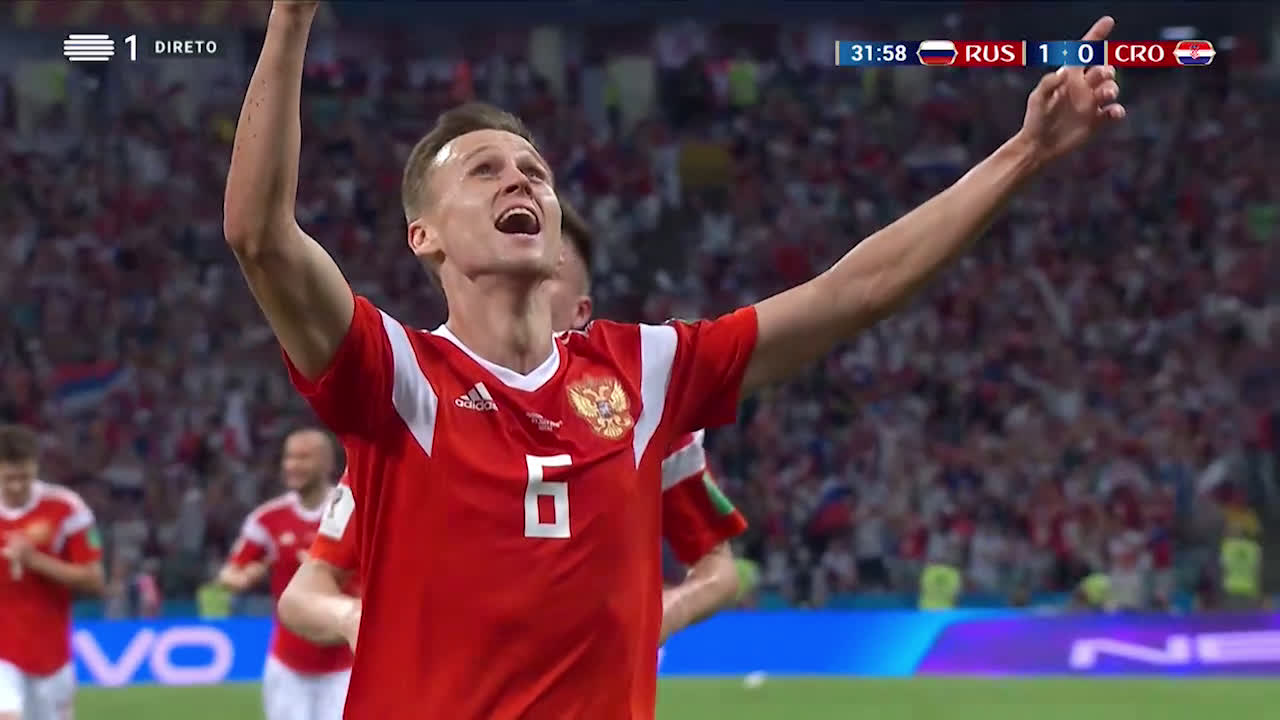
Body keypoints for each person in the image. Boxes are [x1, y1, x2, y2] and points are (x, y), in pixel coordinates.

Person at [224, 2, 1123, 716]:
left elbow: (853, 292)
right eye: (484, 170)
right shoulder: (398, 379)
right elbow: (261, 238)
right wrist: (292, 18)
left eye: (535, 170)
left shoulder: (643, 372)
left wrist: (1024, 154)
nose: (521, 179)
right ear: (423, 235)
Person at [279, 203, 749, 651]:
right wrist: (358, 619)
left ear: (581, 311)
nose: (529, 277)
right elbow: (305, 592)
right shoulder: (416, 419)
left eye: (550, 269)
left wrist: (659, 615)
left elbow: (718, 567)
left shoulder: (640, 415)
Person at [216, 428, 353, 720]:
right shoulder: (268, 518)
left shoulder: (353, 511)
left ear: (327, 463)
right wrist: (242, 578)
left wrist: (327, 568)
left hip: (345, 667)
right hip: (289, 666)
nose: (292, 465)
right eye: (289, 457)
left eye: (303, 458)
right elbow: (228, 574)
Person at [0, 424, 105, 720]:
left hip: (51, 654)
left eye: (24, 477)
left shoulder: (66, 508)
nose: (17, 486)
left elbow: (94, 580)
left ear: (36, 467)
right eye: (8, 478)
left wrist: (34, 560)